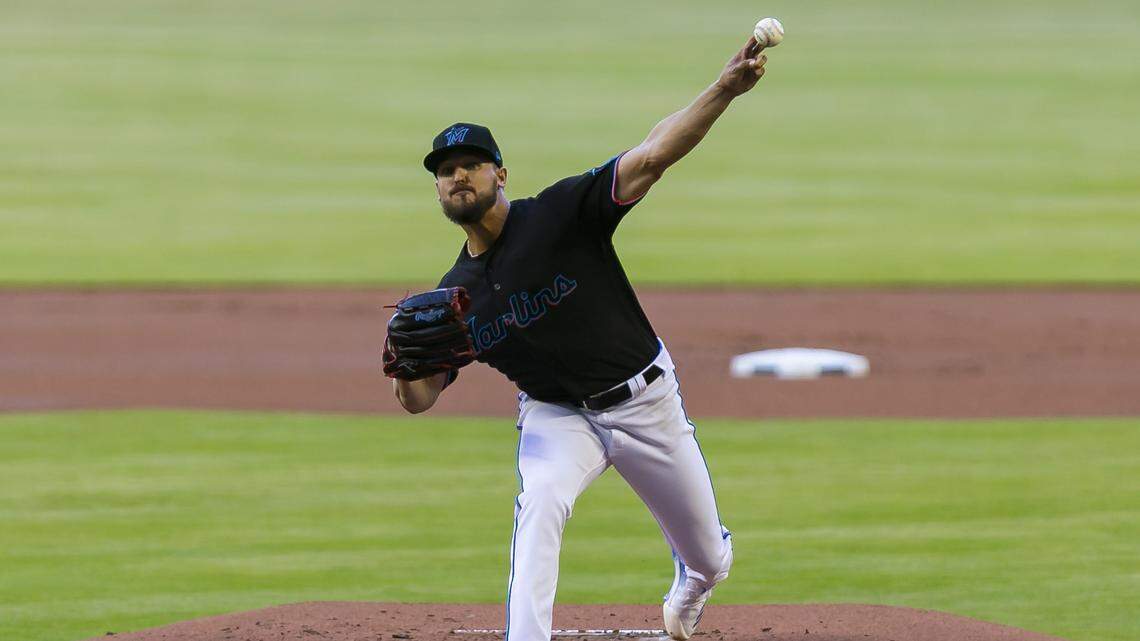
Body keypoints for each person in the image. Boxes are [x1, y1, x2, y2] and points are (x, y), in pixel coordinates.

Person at [391, 35, 770, 641]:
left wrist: (724, 88)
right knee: (540, 502)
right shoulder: (453, 296)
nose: (456, 175)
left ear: (500, 174)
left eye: (469, 164)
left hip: (647, 403)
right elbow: (421, 397)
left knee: (710, 557)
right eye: (444, 171)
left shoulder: (562, 212)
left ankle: (693, 579)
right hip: (557, 417)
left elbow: (651, 156)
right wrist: (402, 368)